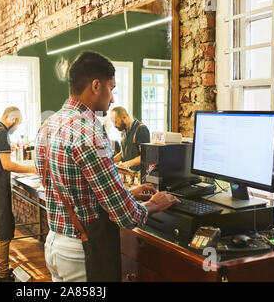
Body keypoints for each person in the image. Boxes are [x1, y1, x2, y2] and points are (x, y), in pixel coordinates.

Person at [35, 51, 179, 282]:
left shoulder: (49, 124)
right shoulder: (90, 132)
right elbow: (126, 216)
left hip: (55, 244)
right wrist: (153, 204)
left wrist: (128, 192)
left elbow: (61, 186)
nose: (112, 99)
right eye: (111, 88)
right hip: (82, 251)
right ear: (95, 85)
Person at [0, 107, 37, 282]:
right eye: (18, 123)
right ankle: (3, 275)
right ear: (12, 119)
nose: (17, 127)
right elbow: (6, 165)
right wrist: (33, 169)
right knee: (3, 229)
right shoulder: (1, 133)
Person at [110, 106, 150, 171]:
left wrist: (127, 164)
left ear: (124, 117)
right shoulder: (123, 131)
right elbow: (123, 153)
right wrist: (110, 161)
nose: (114, 125)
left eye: (115, 122)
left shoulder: (141, 129)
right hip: (128, 174)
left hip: (139, 175)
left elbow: (145, 156)